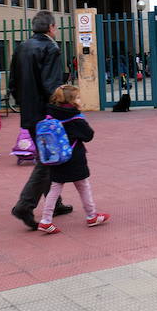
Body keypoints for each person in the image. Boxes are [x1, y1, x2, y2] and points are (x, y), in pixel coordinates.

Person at [9, 11, 72, 230]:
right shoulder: (51, 48)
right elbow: (51, 86)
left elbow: (13, 84)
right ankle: (24, 205)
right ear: (52, 28)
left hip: (29, 113)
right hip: (46, 114)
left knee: (48, 158)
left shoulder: (21, 47)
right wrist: (59, 111)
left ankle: (56, 203)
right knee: (48, 161)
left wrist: (25, 105)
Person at [37, 85, 110, 234]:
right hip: (74, 158)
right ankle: (91, 215)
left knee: (55, 188)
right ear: (71, 100)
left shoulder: (50, 114)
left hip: (56, 157)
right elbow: (88, 135)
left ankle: (45, 220)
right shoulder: (75, 118)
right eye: (77, 97)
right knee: (83, 185)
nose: (79, 99)